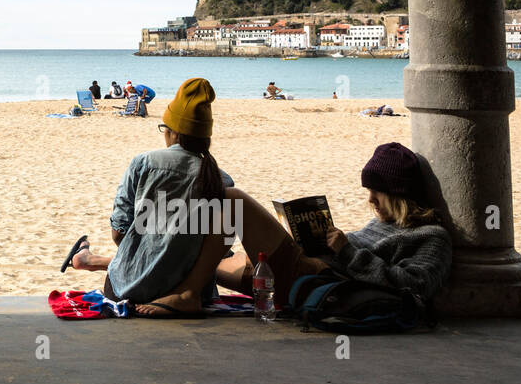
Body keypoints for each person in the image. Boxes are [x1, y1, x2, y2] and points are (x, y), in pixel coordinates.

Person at [211, 142, 452, 307]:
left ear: (399, 194)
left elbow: (414, 286)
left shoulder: (431, 236)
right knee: (206, 266)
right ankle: (184, 287)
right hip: (309, 268)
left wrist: (347, 252)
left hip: (321, 281)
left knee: (234, 199)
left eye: (378, 192)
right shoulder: (382, 222)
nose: (371, 200)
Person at [68, 78, 234, 316]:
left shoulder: (144, 163)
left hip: (128, 288)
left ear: (173, 133)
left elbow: (119, 232)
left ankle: (88, 260)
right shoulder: (222, 180)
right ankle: (88, 260)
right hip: (194, 293)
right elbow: (220, 251)